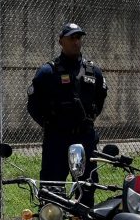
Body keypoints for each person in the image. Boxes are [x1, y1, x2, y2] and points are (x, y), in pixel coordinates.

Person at [27, 23, 107, 190]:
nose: (76, 41)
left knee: (86, 188)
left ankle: (83, 216)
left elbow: (99, 100)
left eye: (78, 37)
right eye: (71, 38)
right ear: (60, 41)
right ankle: (53, 216)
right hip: (57, 139)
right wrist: (50, 124)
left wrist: (86, 121)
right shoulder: (48, 72)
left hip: (85, 138)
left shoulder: (94, 72)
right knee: (52, 188)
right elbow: (33, 105)